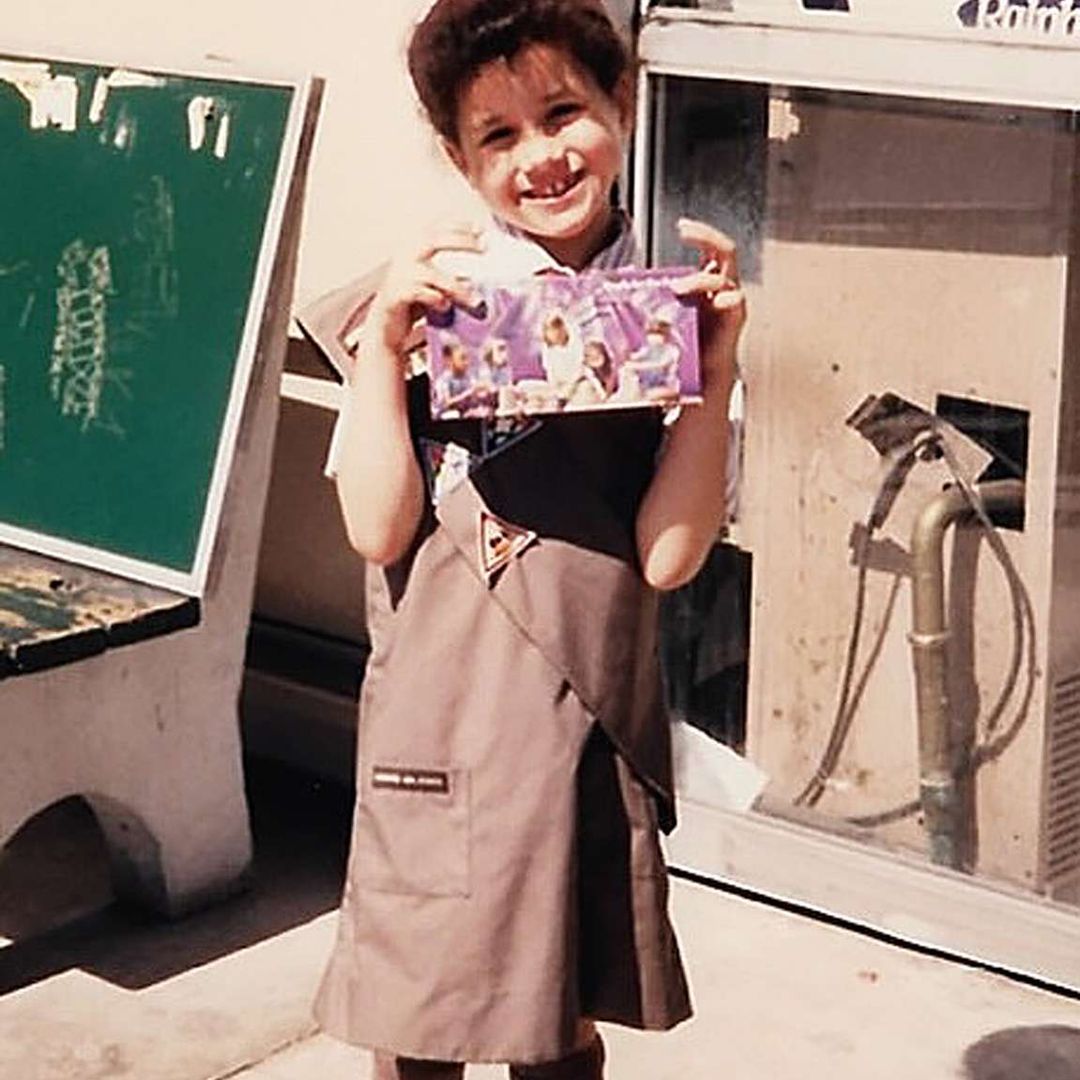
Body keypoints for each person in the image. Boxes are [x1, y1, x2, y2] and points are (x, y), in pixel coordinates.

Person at [308, 1, 746, 1077]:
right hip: (439, 718)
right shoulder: (425, 307)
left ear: (622, 106)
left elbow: (669, 559)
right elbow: (377, 527)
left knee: (560, 1024)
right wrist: (380, 357)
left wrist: (716, 371)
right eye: (498, 135)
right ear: (460, 159)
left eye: (564, 113)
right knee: (419, 1025)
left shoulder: (668, 318)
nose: (541, 156)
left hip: (579, 716)